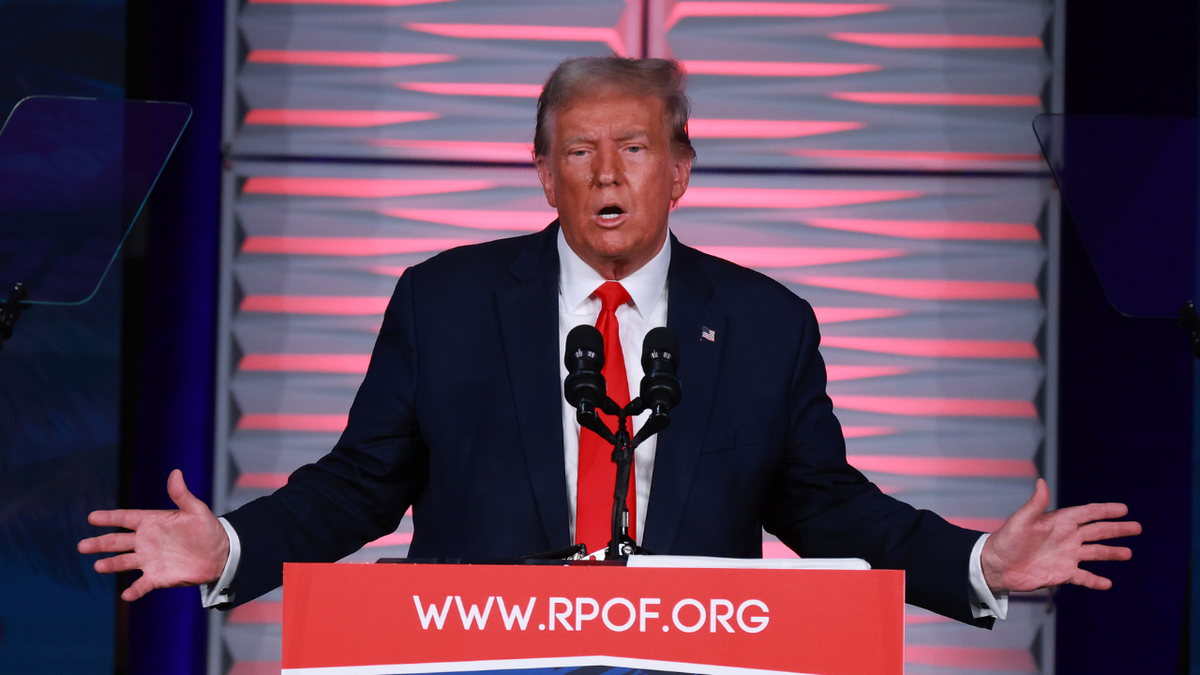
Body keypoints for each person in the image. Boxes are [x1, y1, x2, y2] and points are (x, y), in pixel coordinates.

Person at [78, 57, 1140, 627]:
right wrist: (232, 547)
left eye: (633, 148)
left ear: (679, 173)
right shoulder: (443, 300)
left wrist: (972, 562)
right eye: (576, 151)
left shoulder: (769, 323)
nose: (604, 174)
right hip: (468, 658)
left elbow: (824, 506)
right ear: (543, 174)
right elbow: (359, 486)